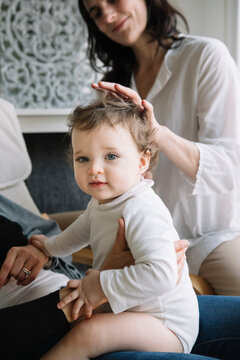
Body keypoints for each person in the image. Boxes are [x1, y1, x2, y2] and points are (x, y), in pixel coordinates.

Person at [78, 0, 240, 295]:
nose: (108, 15)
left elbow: (231, 165)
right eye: (96, 12)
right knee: (43, 229)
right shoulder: (114, 86)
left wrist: (158, 135)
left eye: (112, 0)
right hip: (140, 234)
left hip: (211, 235)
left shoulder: (205, 56)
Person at [30, 94, 199, 359]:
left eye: (110, 156)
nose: (94, 169)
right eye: (82, 159)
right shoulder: (101, 203)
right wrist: (48, 247)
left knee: (88, 333)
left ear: (142, 162)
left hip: (164, 323)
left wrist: (100, 286)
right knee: (74, 318)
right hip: (130, 307)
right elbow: (78, 232)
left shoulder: (141, 209)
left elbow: (162, 274)